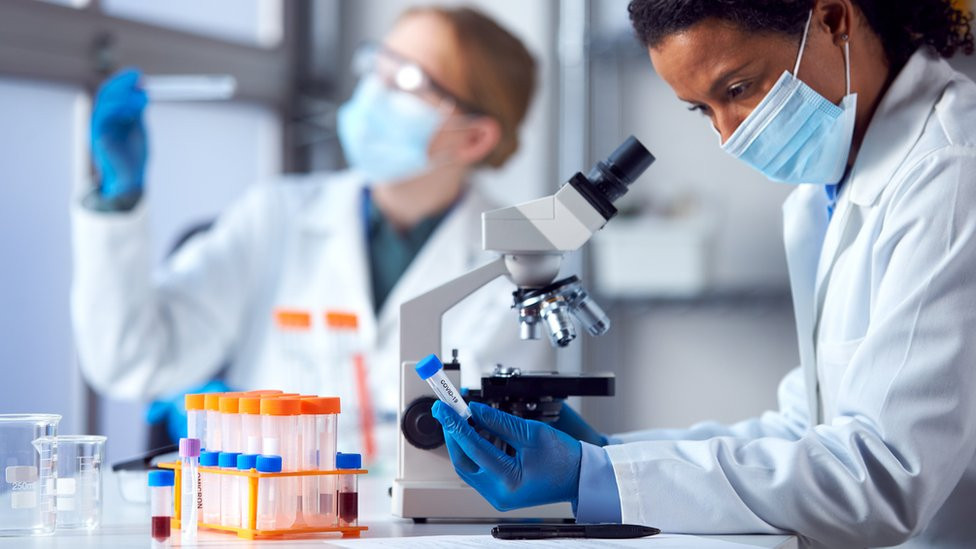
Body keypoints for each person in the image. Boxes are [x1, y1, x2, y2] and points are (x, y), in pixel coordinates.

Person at [432, 1, 976, 546]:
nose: (729, 136)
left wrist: (591, 477)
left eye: (738, 89)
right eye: (701, 110)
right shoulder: (833, 188)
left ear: (834, 21)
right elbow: (806, 430)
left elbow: (881, 479)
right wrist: (611, 456)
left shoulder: (953, 171)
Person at [72, 5, 548, 465]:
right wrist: (118, 202)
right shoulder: (275, 216)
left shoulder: (513, 270)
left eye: (407, 80)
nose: (373, 92)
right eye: (377, 65)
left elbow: (488, 441)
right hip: (265, 524)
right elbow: (132, 359)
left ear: (473, 138)